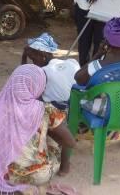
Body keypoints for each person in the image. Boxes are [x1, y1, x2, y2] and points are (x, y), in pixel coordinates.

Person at [0, 65, 77, 195]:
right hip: (38, 175)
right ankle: (33, 180)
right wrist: (48, 133)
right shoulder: (45, 109)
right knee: (52, 137)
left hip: (1, 172)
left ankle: (15, 182)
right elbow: (70, 143)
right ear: (38, 86)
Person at [21, 33, 80, 175]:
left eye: (33, 59)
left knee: (32, 104)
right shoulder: (71, 62)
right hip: (78, 107)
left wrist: (22, 58)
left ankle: (64, 164)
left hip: (60, 111)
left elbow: (23, 77)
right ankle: (64, 164)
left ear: (42, 55)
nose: (33, 63)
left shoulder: (42, 73)